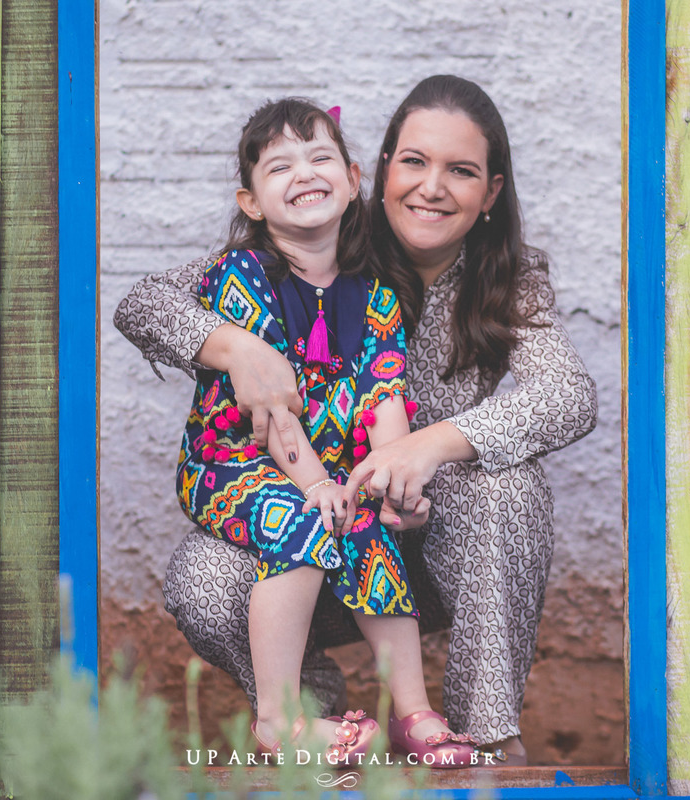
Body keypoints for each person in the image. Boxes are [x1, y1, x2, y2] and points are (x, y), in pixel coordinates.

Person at [114, 76, 598, 766]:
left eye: (461, 171)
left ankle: (482, 737)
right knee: (204, 576)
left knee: (509, 488)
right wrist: (239, 349)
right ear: (380, 170)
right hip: (300, 511)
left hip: (419, 534)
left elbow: (568, 396)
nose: (432, 187)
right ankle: (309, 723)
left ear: (491, 192)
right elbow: (145, 305)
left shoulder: (499, 278)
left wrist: (425, 450)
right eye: (414, 162)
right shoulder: (308, 240)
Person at [162, 97, 478, 767]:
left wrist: (390, 481)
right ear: (251, 202)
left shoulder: (377, 293)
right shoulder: (241, 280)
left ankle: (413, 712)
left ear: (354, 178)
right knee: (307, 521)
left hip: (323, 474)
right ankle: (278, 720)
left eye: (319, 157)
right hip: (233, 464)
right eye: (280, 167)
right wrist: (314, 485)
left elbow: (383, 394)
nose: (303, 172)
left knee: (365, 526)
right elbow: (272, 414)